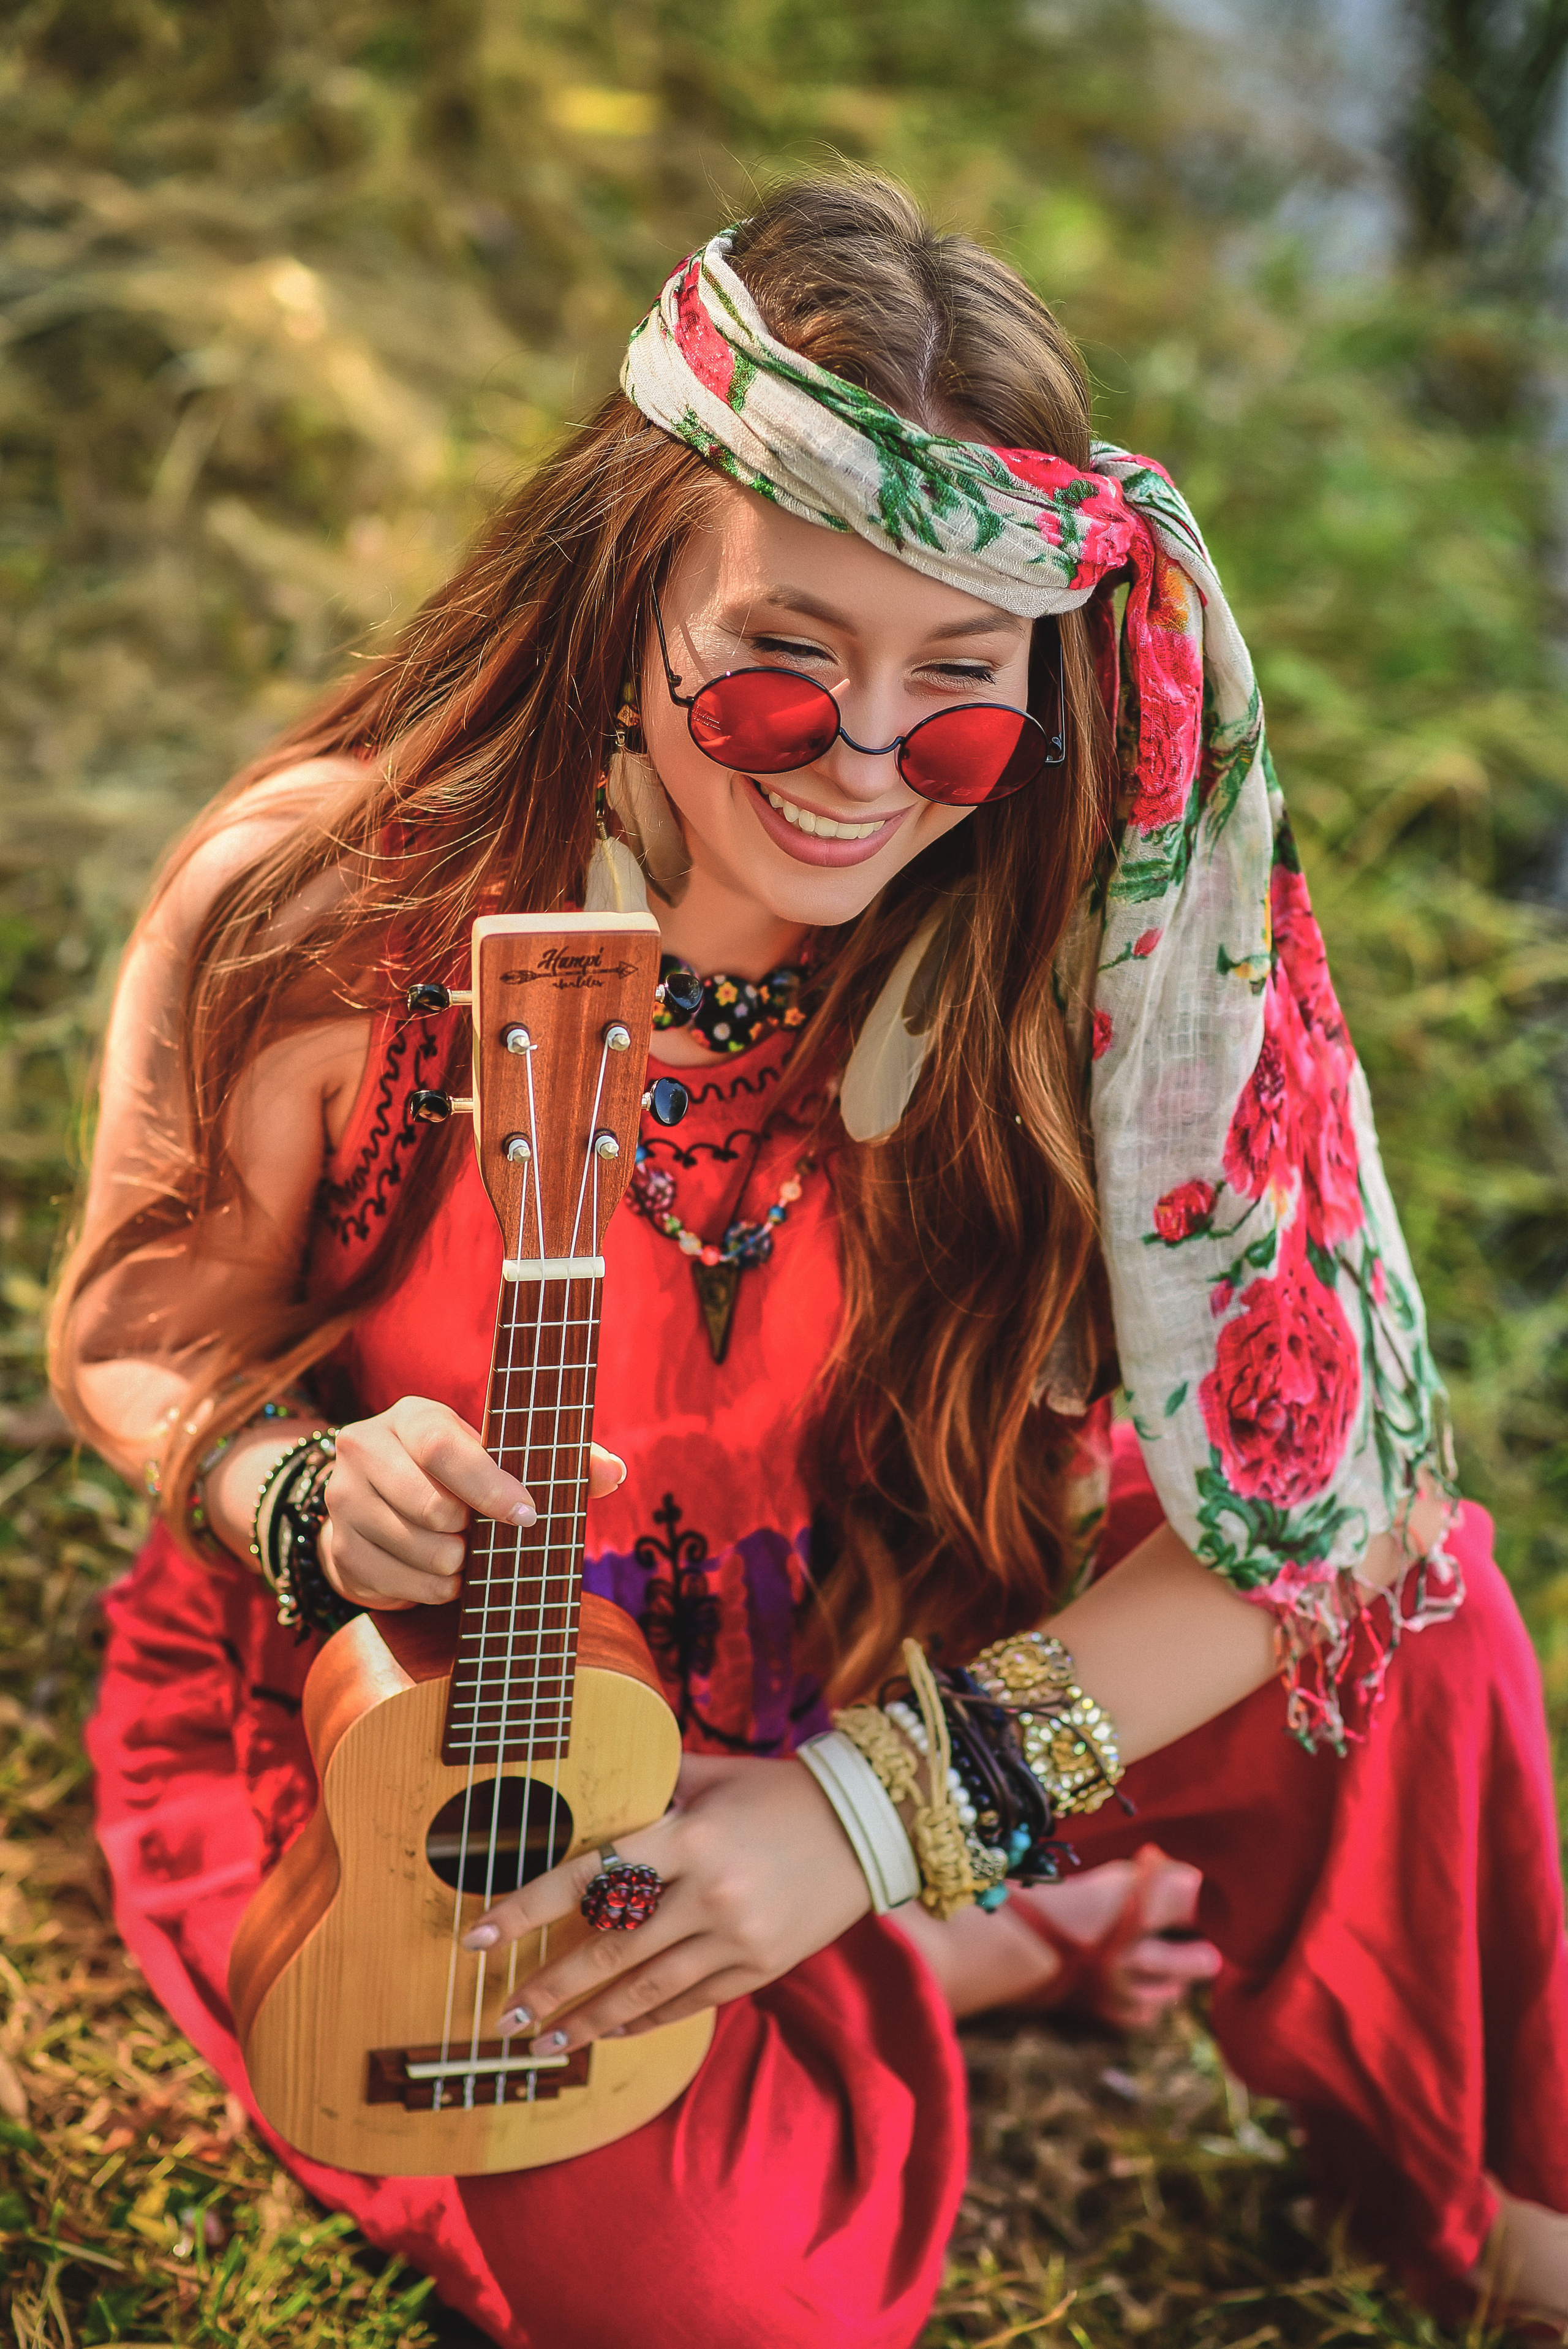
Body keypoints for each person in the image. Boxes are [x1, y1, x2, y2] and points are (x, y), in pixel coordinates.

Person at [53, 174, 1568, 2347]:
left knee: (1420, 1627)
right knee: (720, 2293)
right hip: (465, 1736)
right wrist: (286, 1483)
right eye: (777, 674)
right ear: (624, 586)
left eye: (955, 702)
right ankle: (970, 1955)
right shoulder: (323, 910)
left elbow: (1349, 1505)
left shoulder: (1082, 939)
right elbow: (139, 1325)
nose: (863, 770)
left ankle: (1500, 2217)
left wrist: (871, 1810)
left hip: (858, 1611)